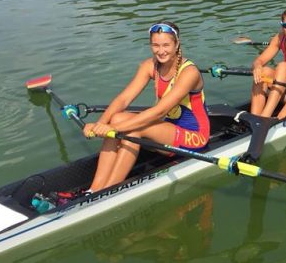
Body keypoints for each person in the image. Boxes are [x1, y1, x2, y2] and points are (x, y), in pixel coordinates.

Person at [81, 21, 210, 193]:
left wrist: (112, 128)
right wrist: (100, 124)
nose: (161, 51)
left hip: (195, 136)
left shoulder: (189, 73)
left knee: (133, 129)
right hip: (169, 129)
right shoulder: (149, 66)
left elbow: (160, 111)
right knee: (117, 116)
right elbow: (123, 99)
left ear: (177, 44)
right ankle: (94, 189)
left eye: (166, 45)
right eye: (155, 45)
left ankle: (109, 191)